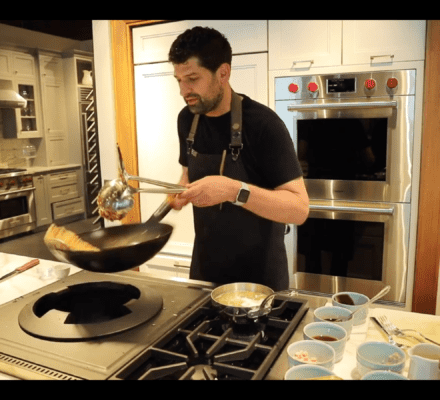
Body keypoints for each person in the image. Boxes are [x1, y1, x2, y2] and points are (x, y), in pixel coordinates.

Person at [167, 26, 309, 291]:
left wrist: (234, 190)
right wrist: (180, 191)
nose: (183, 91)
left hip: (260, 282)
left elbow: (299, 209)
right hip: (204, 275)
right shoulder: (187, 119)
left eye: (193, 79)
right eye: (179, 80)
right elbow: (187, 174)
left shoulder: (264, 125)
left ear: (223, 73)